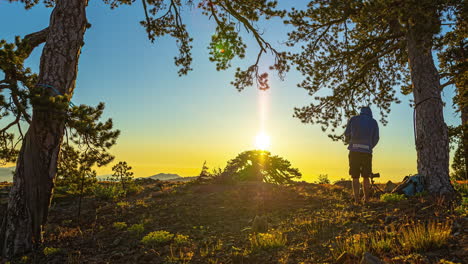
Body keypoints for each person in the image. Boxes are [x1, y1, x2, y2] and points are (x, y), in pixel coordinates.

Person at [344, 106, 379, 204]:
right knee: (366, 176)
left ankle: (356, 199)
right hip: (367, 152)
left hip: (354, 151)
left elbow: (346, 134)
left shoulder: (353, 119)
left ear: (361, 112)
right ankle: (366, 199)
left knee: (355, 176)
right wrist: (370, 146)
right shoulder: (374, 122)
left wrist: (351, 141)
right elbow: (376, 138)